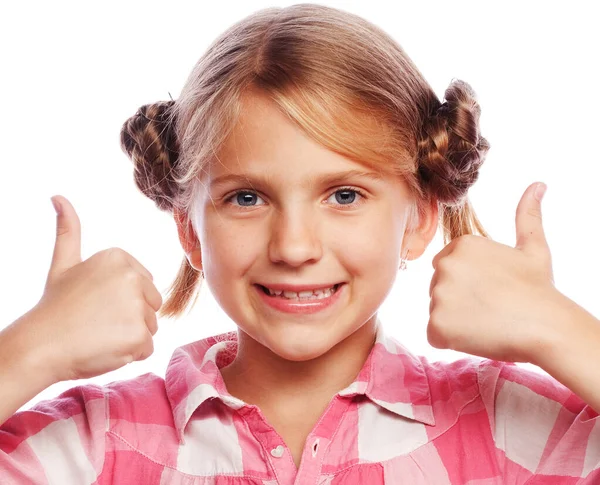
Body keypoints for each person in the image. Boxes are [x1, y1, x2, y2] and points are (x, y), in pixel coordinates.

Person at [1, 3, 599, 484]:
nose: (293, 247)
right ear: (189, 228)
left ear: (419, 218)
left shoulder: (508, 428)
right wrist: (28, 352)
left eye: (343, 195)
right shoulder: (90, 443)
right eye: (246, 198)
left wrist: (561, 331)